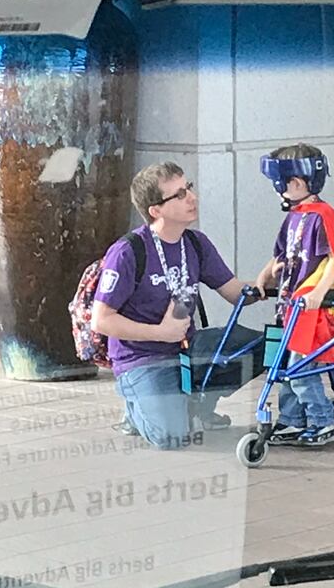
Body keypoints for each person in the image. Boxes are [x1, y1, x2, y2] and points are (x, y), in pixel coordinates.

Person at [91, 162, 250, 450]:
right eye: (178, 195)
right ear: (156, 210)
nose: (192, 197)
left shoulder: (196, 243)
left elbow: (234, 291)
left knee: (260, 347)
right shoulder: (128, 252)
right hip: (143, 357)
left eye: (189, 187)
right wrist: (160, 333)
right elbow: (101, 320)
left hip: (187, 348)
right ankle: (134, 407)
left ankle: (197, 405)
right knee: (172, 438)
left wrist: (274, 280)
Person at [255, 143, 334, 447]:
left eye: (280, 186)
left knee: (300, 370)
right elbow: (280, 256)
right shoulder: (295, 216)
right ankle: (292, 420)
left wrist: (318, 290)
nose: (278, 192)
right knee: (288, 366)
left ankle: (321, 421)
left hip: (314, 311)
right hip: (293, 308)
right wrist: (264, 276)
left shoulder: (323, 217)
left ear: (298, 184)